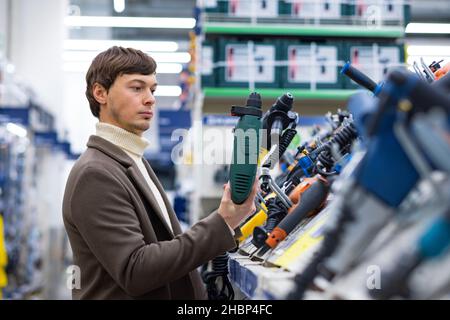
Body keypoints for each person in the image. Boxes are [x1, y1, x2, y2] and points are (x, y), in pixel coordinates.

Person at [62, 46, 257, 300]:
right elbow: (135, 269)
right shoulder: (96, 173)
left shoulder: (131, 161)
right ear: (100, 93)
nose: (150, 98)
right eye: (136, 87)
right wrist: (222, 222)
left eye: (152, 89)